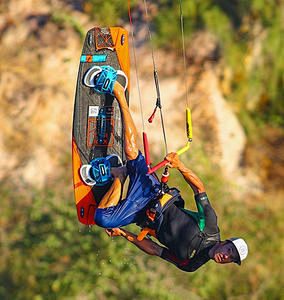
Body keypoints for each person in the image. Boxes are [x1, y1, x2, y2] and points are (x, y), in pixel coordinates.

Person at [93, 74, 248, 272]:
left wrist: (124, 234)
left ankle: (120, 176)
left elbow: (156, 250)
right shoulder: (210, 225)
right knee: (131, 151)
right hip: (152, 193)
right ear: (226, 242)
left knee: (103, 220)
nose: (226, 256)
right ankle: (118, 92)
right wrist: (180, 165)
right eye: (230, 250)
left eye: (230, 259)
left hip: (140, 215)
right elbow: (199, 188)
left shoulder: (192, 264)